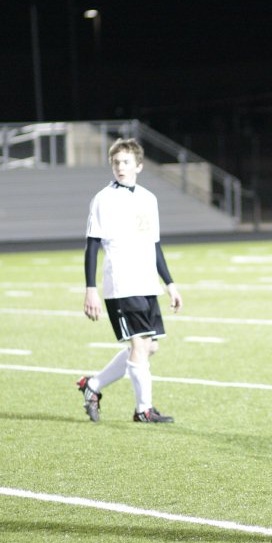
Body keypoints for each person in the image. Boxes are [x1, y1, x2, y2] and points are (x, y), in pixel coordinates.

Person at [77, 138, 182, 423]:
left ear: (139, 165)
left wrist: (169, 283)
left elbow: (154, 245)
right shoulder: (103, 199)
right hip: (122, 285)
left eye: (125, 162)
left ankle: (93, 385)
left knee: (150, 346)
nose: (120, 167)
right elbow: (92, 245)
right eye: (116, 163)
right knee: (138, 346)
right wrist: (90, 289)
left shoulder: (149, 199)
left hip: (147, 283)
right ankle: (143, 410)